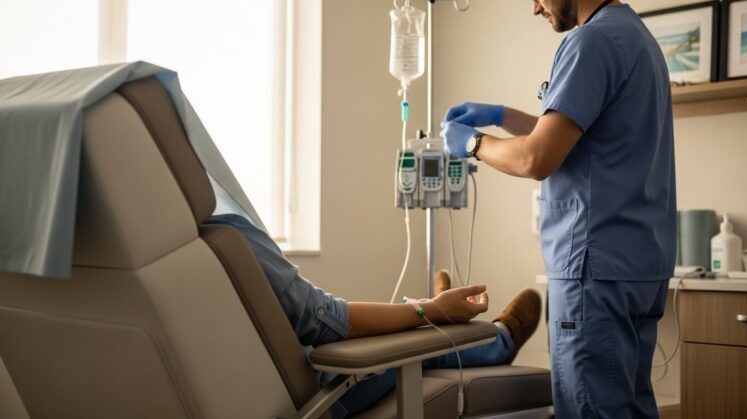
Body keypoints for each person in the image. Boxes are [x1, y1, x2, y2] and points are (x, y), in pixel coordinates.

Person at [440, 0, 676, 418]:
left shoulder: (592, 40)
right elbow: (566, 133)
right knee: (628, 407)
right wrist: (500, 116)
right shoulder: (635, 37)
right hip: (637, 266)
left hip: (593, 266)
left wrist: (472, 144)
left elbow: (536, 158)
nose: (535, 8)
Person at [204, 213, 543, 418]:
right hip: (327, 391)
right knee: (417, 345)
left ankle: (439, 306)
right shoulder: (230, 235)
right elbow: (325, 320)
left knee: (402, 325)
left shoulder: (179, 253)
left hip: (271, 384)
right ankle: (501, 338)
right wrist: (432, 310)